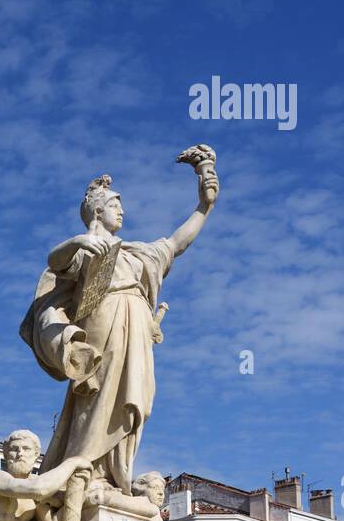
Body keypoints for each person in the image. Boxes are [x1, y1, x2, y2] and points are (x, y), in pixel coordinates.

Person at [20, 157, 219, 494]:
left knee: (136, 398)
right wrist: (77, 242)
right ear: (97, 211)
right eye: (114, 205)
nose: (122, 212)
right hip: (103, 322)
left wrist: (204, 206)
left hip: (137, 326)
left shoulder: (135, 253)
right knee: (97, 394)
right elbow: (53, 263)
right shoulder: (85, 249)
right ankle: (87, 470)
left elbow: (176, 243)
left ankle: (116, 474)